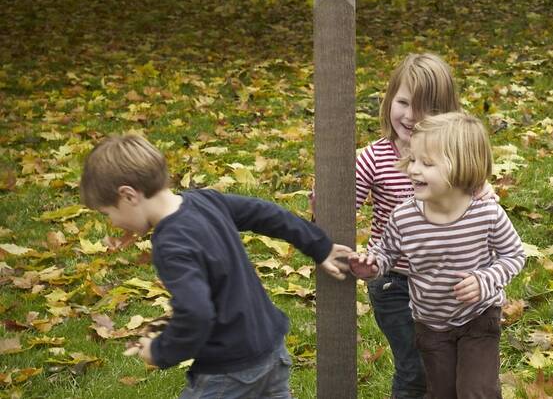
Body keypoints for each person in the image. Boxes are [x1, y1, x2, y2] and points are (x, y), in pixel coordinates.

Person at [80, 134, 351, 399]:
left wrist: (159, 351)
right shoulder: (205, 201)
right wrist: (320, 247)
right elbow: (268, 214)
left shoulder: (171, 244)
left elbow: (197, 313)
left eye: (108, 213)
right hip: (271, 348)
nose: (113, 223)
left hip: (228, 370)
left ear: (128, 195)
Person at [350, 112, 525, 399]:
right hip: (430, 324)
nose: (414, 170)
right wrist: (371, 265)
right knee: (442, 392)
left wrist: (485, 281)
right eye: (413, 160)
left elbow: (514, 255)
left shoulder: (487, 213)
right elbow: (386, 254)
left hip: (478, 316)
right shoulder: (405, 217)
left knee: (475, 391)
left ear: (462, 168)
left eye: (427, 163)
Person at [355, 53, 495, 399]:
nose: (411, 115)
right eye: (403, 102)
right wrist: (323, 206)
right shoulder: (373, 158)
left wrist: (484, 195)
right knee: (415, 368)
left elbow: (482, 208)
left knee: (448, 367)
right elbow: (341, 208)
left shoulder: (455, 158)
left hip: (449, 280)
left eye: (426, 107)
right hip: (395, 282)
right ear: (389, 100)